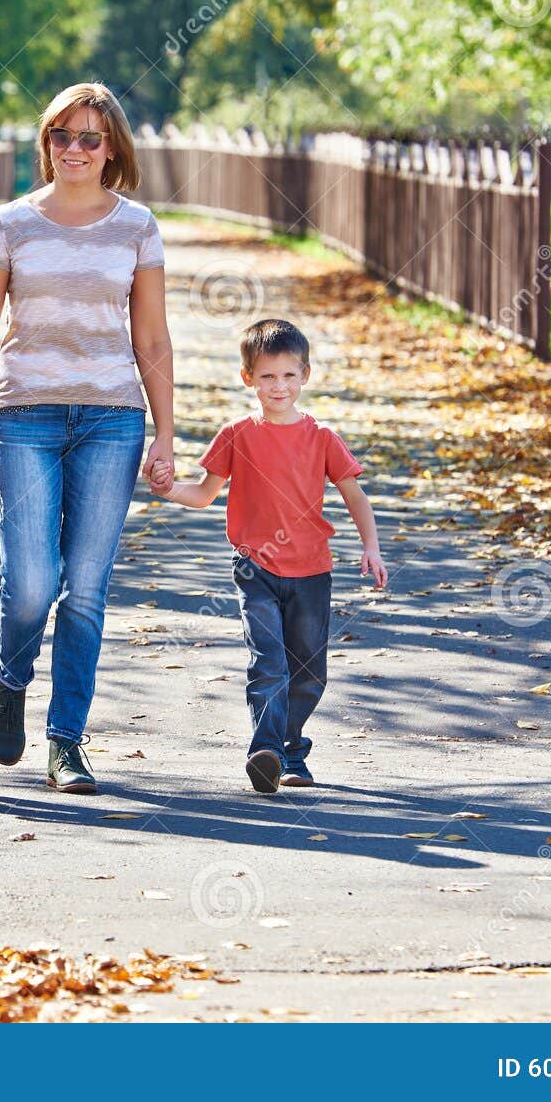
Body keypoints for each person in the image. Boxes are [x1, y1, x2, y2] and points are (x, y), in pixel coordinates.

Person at [0, 83, 176, 794]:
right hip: (25, 419)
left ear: (113, 150)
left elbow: (153, 338)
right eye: (62, 136)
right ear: (46, 143)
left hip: (112, 420)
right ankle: (11, 680)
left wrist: (166, 433)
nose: (74, 149)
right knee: (33, 585)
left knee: (86, 593)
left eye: (90, 139)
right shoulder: (11, 223)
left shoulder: (137, 227)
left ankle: (66, 742)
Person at [151, 319, 388, 793]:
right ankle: (266, 752)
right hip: (254, 568)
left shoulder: (321, 437)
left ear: (305, 376)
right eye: (266, 377)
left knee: (308, 672)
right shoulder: (237, 434)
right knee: (269, 663)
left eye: (288, 376)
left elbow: (354, 494)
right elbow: (204, 495)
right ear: (248, 378)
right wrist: (166, 488)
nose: (278, 386)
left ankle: (291, 749)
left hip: (312, 572)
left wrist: (371, 546)